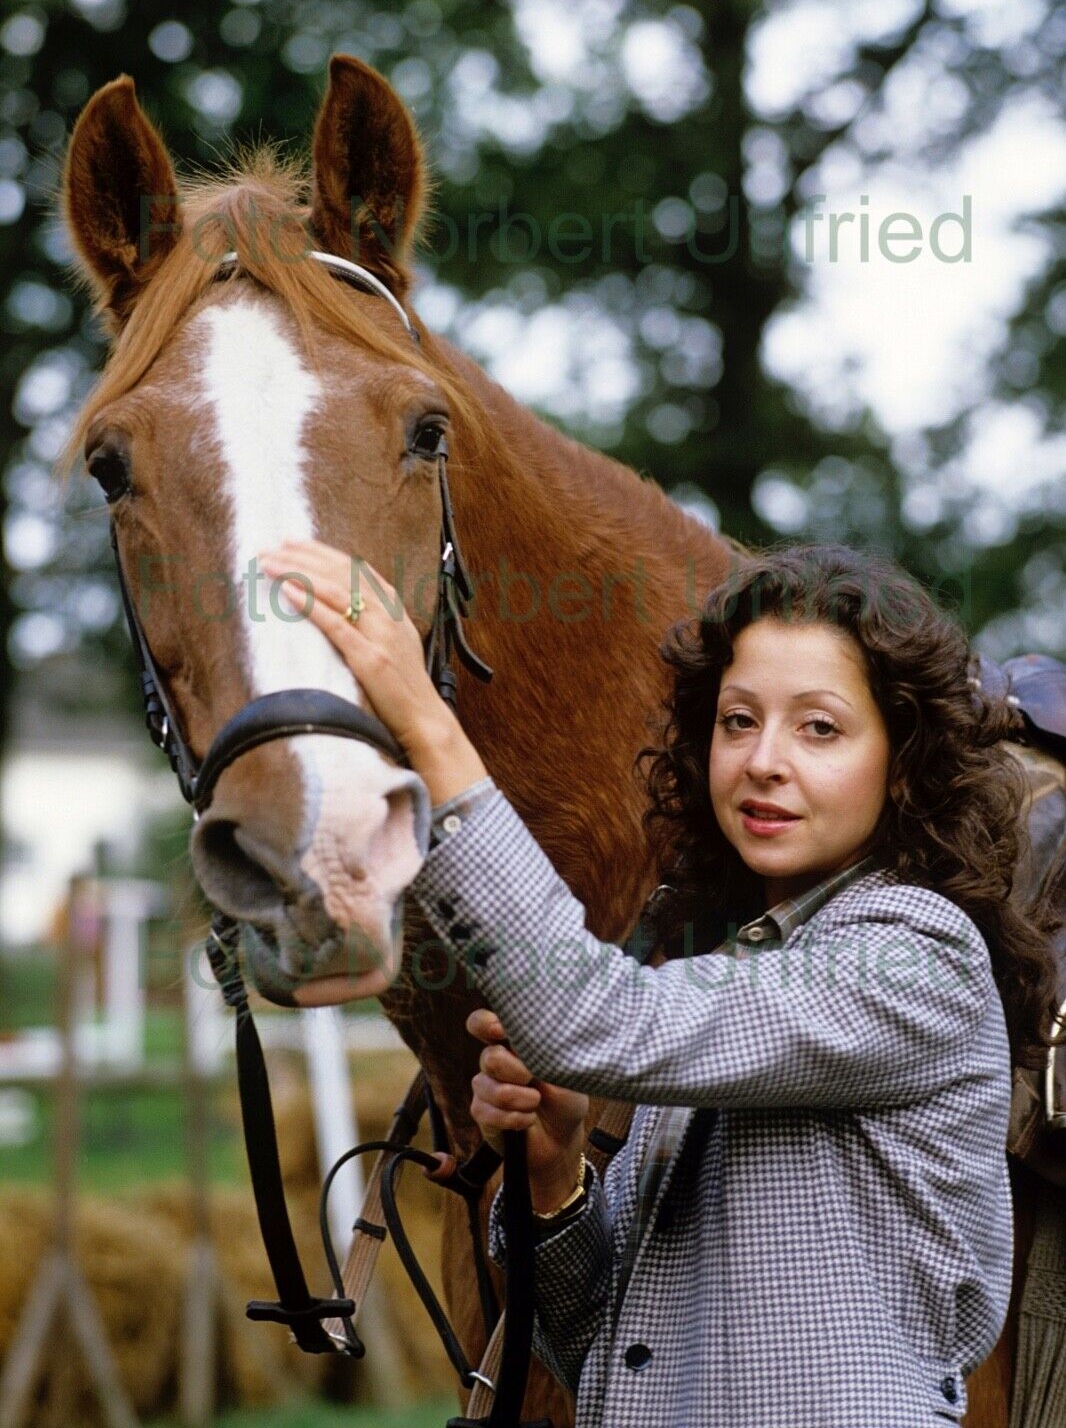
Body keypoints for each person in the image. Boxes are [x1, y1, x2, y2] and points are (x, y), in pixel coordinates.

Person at [259, 538, 1060, 1427]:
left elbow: (590, 1018)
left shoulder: (919, 957)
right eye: (738, 720)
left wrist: (427, 726)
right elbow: (603, 1351)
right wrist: (558, 1170)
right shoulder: (735, 972)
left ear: (903, 764)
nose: (763, 759)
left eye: (820, 727)